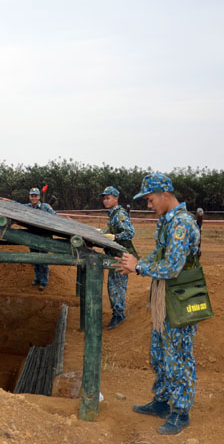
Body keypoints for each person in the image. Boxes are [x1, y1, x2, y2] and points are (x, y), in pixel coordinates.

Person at [117, 173, 201, 436]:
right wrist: (135, 263)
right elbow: (159, 254)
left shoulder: (182, 224)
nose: (149, 205)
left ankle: (181, 412)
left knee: (179, 356)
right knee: (160, 352)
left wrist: (139, 266)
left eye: (151, 200)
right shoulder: (166, 221)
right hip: (165, 298)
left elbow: (173, 267)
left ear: (165, 195)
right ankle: (163, 402)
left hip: (181, 297)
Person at [100, 186, 137, 330]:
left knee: (116, 286)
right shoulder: (113, 214)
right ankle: (117, 313)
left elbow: (130, 232)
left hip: (122, 256)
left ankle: (119, 315)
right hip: (116, 254)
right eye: (104, 198)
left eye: (108, 198)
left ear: (116, 199)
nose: (105, 201)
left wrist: (115, 237)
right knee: (113, 285)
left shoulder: (120, 214)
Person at [24, 187, 57, 291]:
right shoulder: (27, 207)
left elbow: (56, 218)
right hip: (32, 237)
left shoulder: (46, 207)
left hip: (44, 237)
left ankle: (44, 281)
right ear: (29, 197)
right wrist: (8, 201)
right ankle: (37, 278)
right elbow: (16, 205)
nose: (33, 198)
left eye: (35, 196)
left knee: (43, 259)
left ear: (39, 197)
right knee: (34, 259)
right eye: (32, 196)